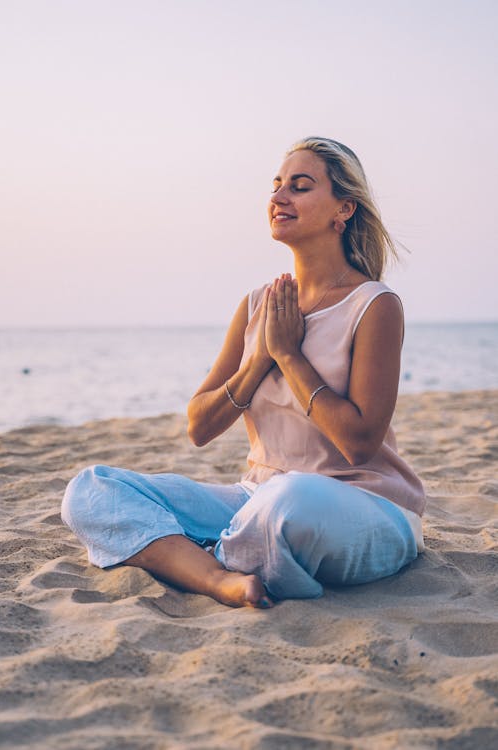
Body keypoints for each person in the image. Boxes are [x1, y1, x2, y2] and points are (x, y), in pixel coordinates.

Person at [61, 137, 426, 609]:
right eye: (276, 186)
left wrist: (290, 356)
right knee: (91, 491)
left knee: (289, 503)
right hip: (257, 496)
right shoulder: (258, 305)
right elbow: (199, 427)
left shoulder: (373, 305)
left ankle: (209, 550)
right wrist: (258, 362)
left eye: (300, 186)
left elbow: (358, 444)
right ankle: (219, 579)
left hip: (360, 505)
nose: (278, 198)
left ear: (344, 210)